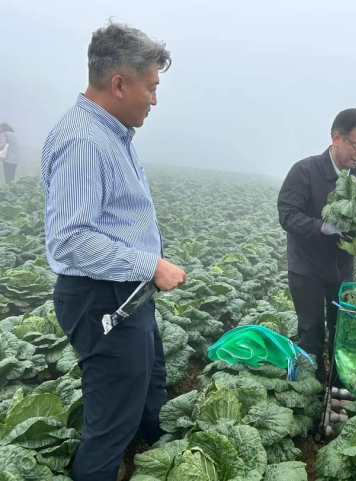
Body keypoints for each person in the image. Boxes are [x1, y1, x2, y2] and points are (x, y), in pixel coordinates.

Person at [41, 22, 186, 480]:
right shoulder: (85, 140)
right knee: (110, 425)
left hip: (124, 296)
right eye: (151, 87)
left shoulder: (111, 132)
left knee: (147, 387)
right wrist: (151, 263)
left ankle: (155, 455)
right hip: (102, 299)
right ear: (119, 84)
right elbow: (70, 239)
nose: (155, 99)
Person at [277, 108, 356, 382]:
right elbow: (287, 215)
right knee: (310, 332)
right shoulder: (305, 171)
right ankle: (310, 390)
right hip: (306, 268)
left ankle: (336, 385)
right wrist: (324, 227)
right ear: (336, 137)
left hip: (343, 271)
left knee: (343, 333)